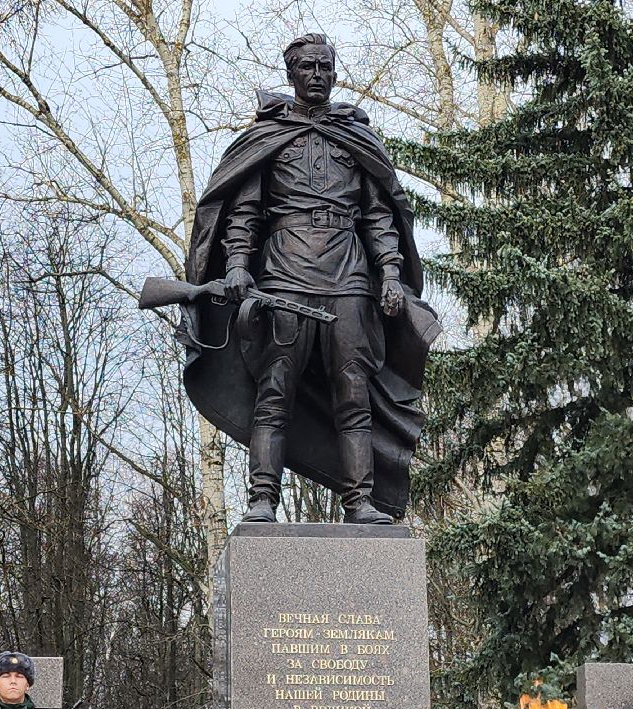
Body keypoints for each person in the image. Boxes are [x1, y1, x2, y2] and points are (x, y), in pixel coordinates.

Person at [181, 33, 440, 525]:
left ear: (335, 72)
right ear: (292, 74)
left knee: (354, 396)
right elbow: (244, 211)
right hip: (283, 280)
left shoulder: (357, 138)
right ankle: (262, 499)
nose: (317, 75)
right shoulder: (268, 137)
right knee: (273, 394)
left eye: (325, 66)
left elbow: (378, 215)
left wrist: (389, 273)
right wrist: (237, 264)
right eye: (308, 67)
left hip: (350, 280)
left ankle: (360, 502)